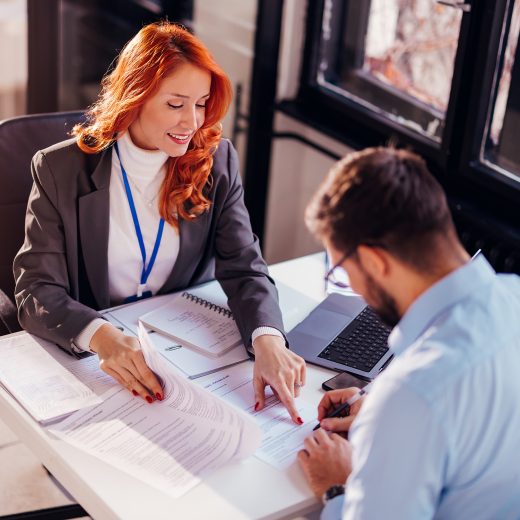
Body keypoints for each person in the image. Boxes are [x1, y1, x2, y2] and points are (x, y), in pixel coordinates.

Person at [13, 22, 305, 423]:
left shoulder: (216, 162)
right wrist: (100, 336)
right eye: (175, 104)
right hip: (97, 358)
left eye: (201, 103)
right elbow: (36, 291)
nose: (192, 122)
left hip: (182, 359)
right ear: (135, 97)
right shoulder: (60, 170)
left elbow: (245, 267)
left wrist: (268, 338)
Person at [298, 147, 520, 518]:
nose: (350, 284)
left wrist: (339, 488)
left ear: (374, 261)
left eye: (342, 270)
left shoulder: (410, 396)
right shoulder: (514, 295)